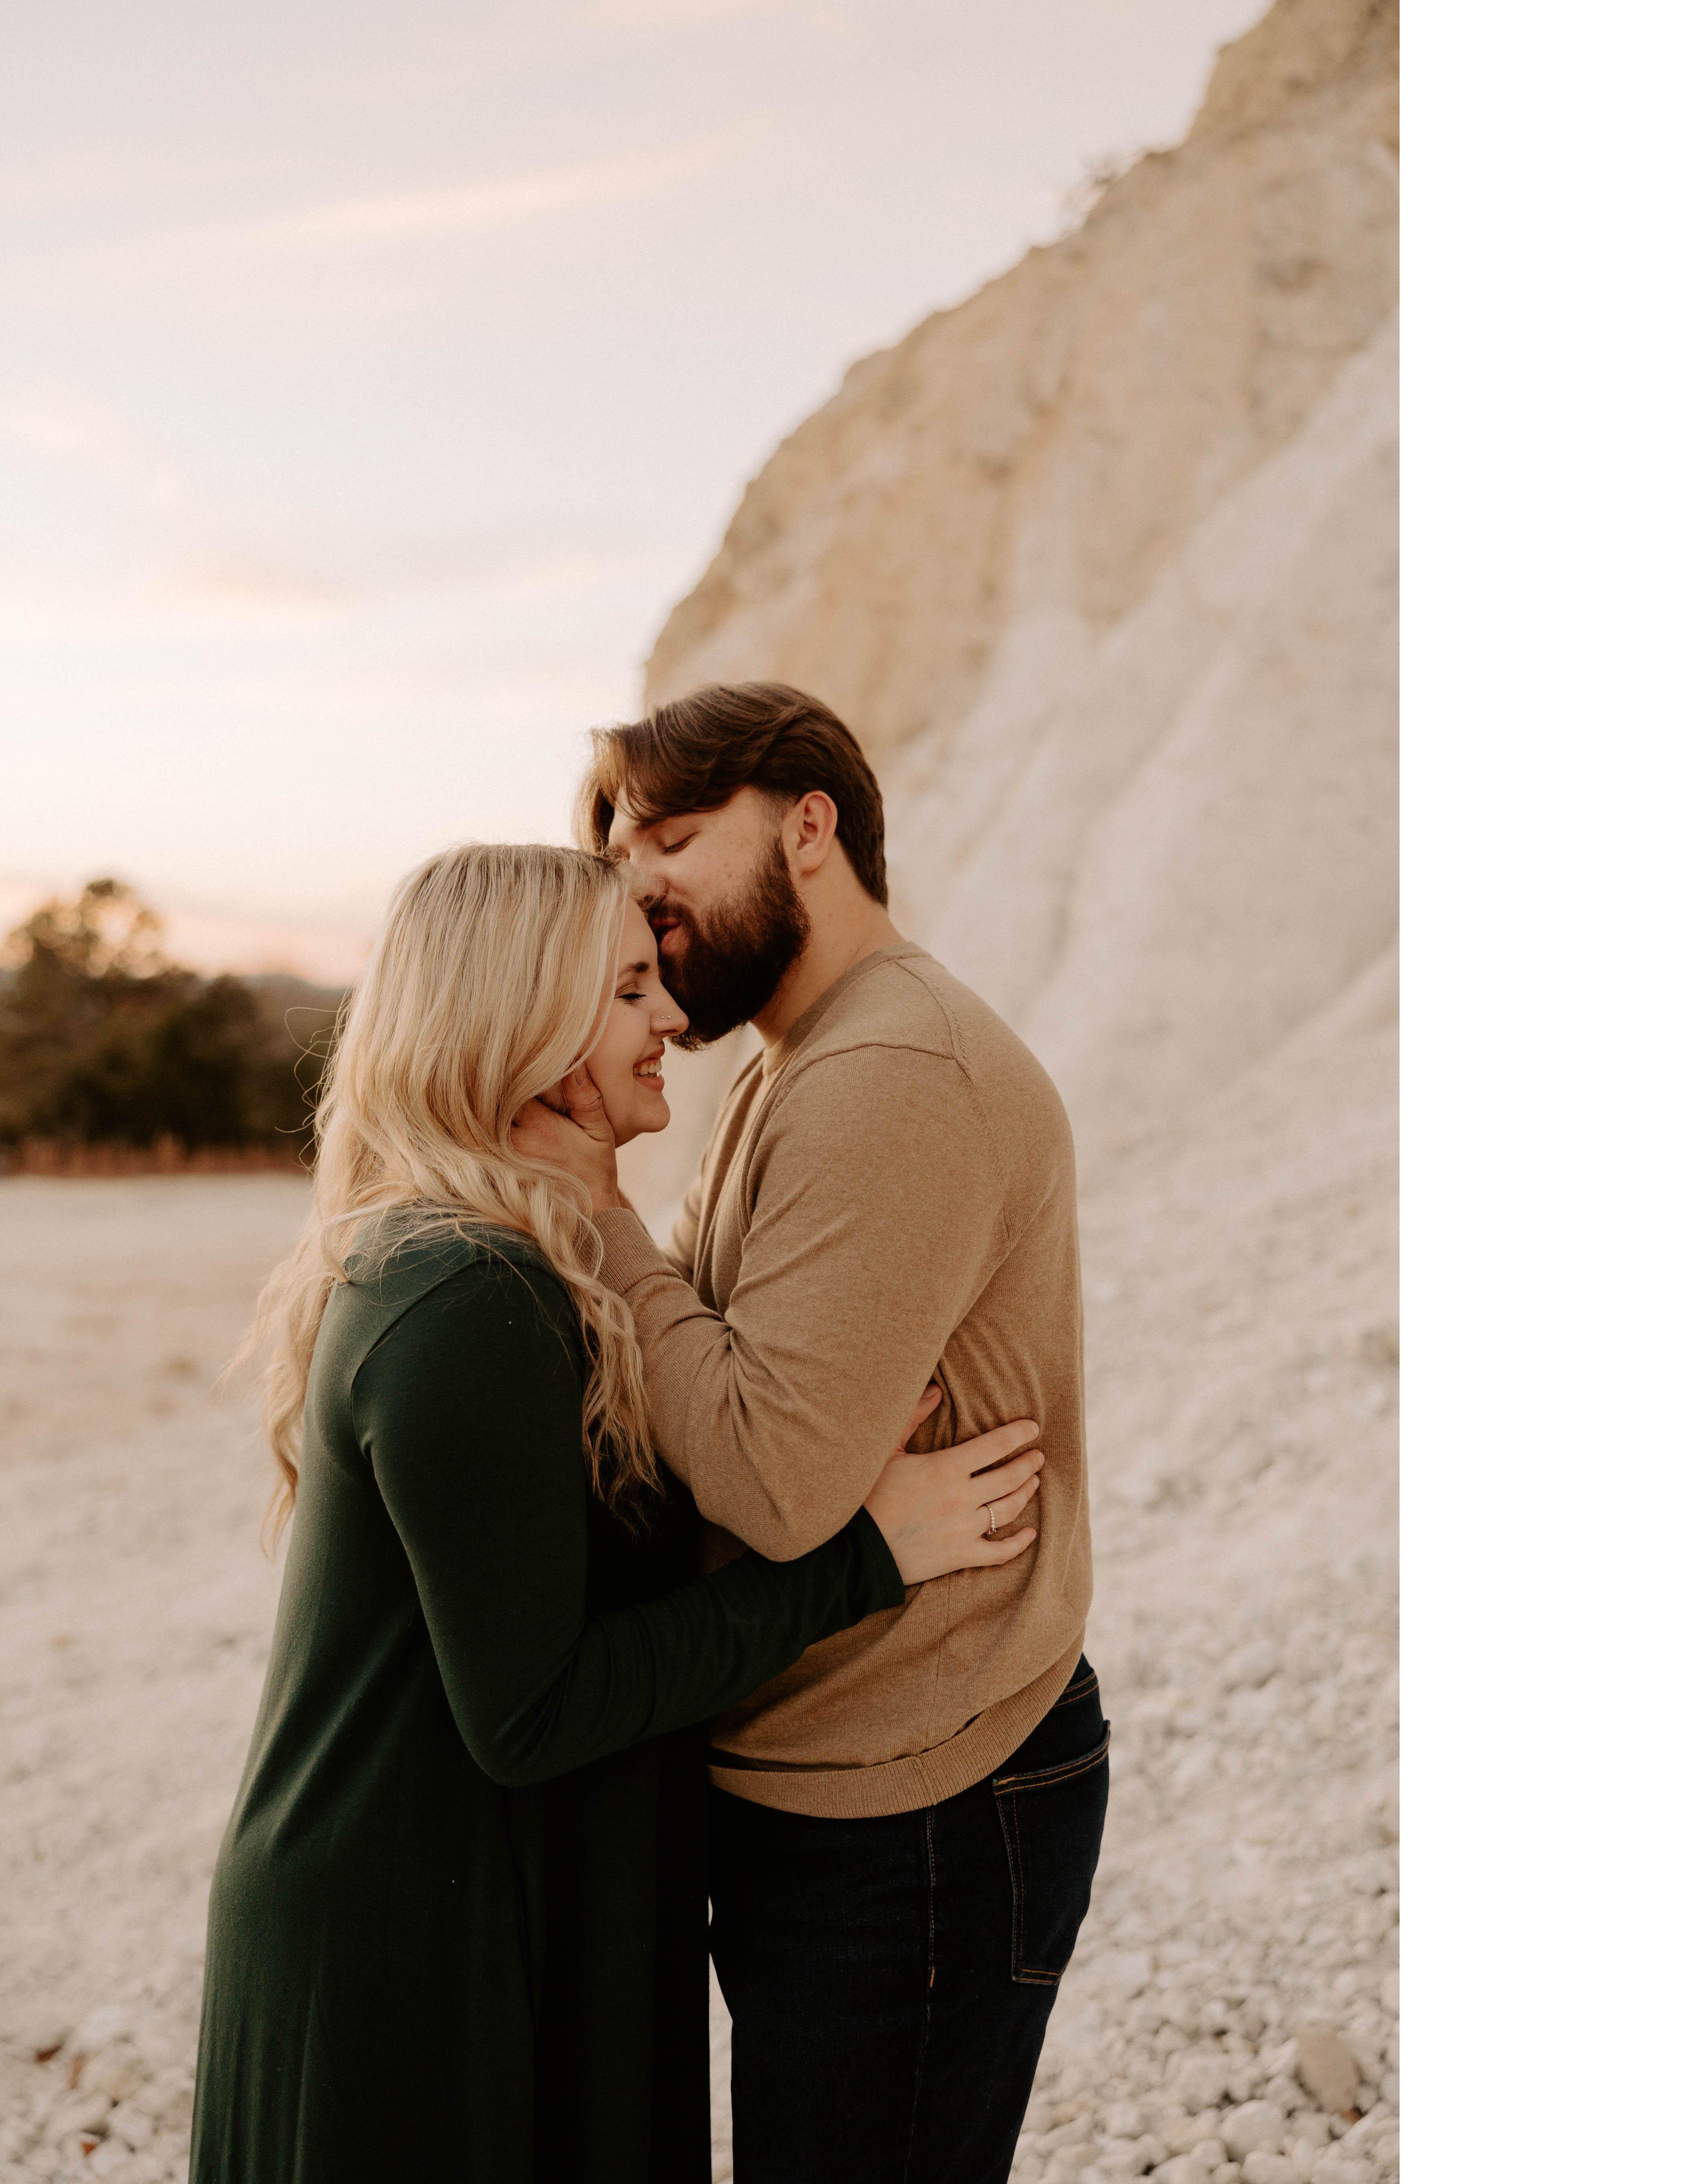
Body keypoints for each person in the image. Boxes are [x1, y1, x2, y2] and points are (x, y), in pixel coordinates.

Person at [188, 842, 1048, 2184]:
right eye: (632, 989)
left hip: (494, 1910)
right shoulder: (466, 1296)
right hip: (417, 1967)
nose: (673, 1020)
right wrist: (865, 1560)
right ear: (522, 1022)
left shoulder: (517, 1260)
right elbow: (533, 1710)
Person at [514, 681, 1105, 2184]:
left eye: (674, 840)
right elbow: (717, 1392)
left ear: (810, 827)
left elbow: (773, 1480)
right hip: (841, 1773)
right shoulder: (806, 1060)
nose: (639, 892)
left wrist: (600, 1213)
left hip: (917, 1798)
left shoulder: (892, 1076)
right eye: (619, 856)